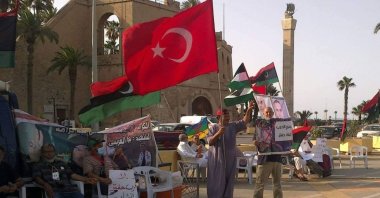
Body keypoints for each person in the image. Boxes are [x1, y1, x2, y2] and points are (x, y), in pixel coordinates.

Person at [207, 101, 253, 198]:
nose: (227, 118)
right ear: (218, 117)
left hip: (230, 161)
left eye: (228, 116)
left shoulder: (232, 126)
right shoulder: (214, 128)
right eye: (225, 116)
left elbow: (245, 121)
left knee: (228, 184)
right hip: (217, 161)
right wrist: (219, 133)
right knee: (217, 183)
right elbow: (210, 142)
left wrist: (248, 110)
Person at [33, 144, 97, 198]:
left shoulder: (61, 163)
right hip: (54, 190)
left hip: (70, 189)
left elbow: (72, 174)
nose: (49, 153)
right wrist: (45, 184)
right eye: (46, 152)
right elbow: (37, 178)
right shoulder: (38, 165)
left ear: (55, 152)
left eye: (51, 151)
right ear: (42, 153)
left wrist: (86, 179)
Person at [253, 107, 283, 198]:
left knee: (277, 185)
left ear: (273, 113)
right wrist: (256, 142)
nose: (268, 114)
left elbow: (284, 140)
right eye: (267, 112)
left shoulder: (279, 126)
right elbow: (255, 139)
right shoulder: (259, 126)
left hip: (277, 159)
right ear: (263, 113)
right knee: (260, 185)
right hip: (264, 159)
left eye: (270, 112)